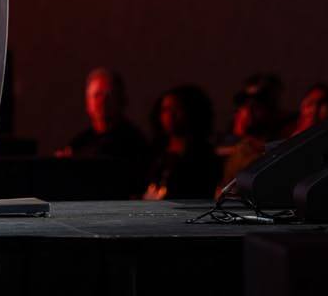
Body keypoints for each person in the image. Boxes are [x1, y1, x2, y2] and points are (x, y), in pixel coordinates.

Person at [58, 68, 149, 197]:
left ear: (122, 100)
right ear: (87, 103)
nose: (103, 101)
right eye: (97, 95)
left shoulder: (134, 142)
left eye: (109, 95)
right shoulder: (80, 142)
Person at [144, 84, 222, 200]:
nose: (170, 115)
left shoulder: (203, 155)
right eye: (165, 109)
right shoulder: (154, 151)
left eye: (177, 108)